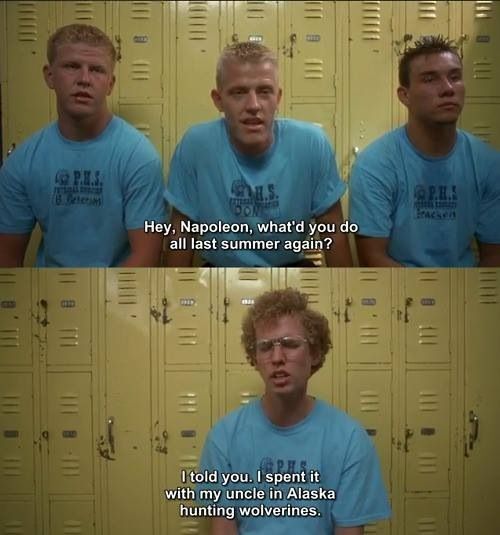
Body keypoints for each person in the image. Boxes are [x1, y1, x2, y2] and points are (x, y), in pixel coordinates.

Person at [197, 288, 391, 535]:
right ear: (254, 358)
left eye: (290, 344)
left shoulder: (350, 440)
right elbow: (224, 528)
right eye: (265, 347)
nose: (277, 357)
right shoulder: (224, 438)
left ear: (315, 353)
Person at [164, 42, 352, 267]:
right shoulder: (196, 146)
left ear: (278, 98)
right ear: (218, 100)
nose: (253, 105)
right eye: (239, 93)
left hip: (289, 270)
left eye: (264, 92)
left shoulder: (312, 144)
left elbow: (334, 233)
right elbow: (180, 236)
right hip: (220, 274)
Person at [0, 24, 165, 267]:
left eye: (97, 70)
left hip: (120, 286)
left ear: (110, 84)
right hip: (50, 287)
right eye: (71, 66)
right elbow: (7, 259)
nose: (84, 79)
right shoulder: (23, 162)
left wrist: (106, 293)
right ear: (50, 76)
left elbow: (146, 257)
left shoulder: (138, 157)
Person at [349, 35, 500, 267]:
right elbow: (373, 259)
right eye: (430, 79)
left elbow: (494, 255)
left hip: (465, 286)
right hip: (397, 285)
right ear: (405, 95)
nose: (448, 89)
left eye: (455, 77)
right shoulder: (374, 165)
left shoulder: (488, 164)